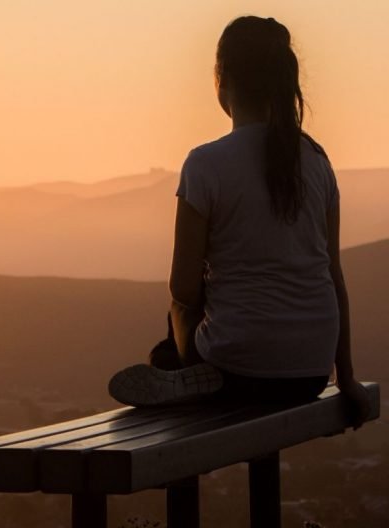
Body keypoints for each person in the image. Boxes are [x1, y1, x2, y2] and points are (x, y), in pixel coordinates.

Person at [108, 15, 371, 430]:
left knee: (167, 343)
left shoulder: (206, 164)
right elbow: (333, 277)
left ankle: (184, 373)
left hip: (238, 370)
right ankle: (188, 370)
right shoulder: (318, 162)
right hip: (310, 372)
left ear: (222, 79)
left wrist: (186, 349)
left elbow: (182, 289)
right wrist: (348, 377)